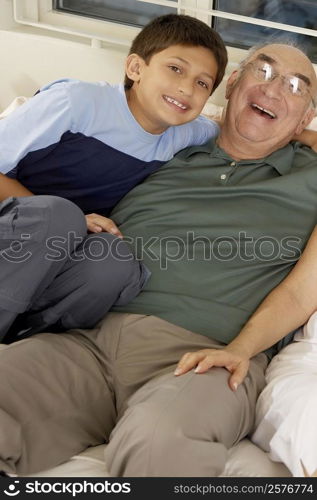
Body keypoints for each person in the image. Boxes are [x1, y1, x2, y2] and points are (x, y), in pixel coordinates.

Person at [0, 41, 316, 477]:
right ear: (232, 85)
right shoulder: (167, 144)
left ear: (305, 118)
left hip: (207, 358)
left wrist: (240, 351)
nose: (274, 88)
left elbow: (303, 290)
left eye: (296, 86)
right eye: (262, 72)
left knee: (157, 442)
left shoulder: (312, 179)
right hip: (89, 341)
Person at [0, 14, 228, 342]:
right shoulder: (76, 101)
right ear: (135, 68)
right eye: (175, 69)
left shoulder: (185, 133)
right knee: (59, 216)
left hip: (60, 252)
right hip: (18, 229)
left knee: (114, 262)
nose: (186, 88)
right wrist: (76, 219)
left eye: (202, 83)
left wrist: (306, 136)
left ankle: (24, 345)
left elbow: (232, 129)